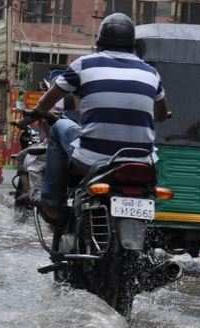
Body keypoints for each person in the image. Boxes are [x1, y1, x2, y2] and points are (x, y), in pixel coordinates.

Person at [18, 13, 170, 222]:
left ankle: (52, 202)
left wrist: (34, 114)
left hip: (93, 158)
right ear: (132, 43)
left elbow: (48, 101)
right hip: (141, 161)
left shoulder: (84, 65)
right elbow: (162, 114)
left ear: (100, 41)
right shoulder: (151, 73)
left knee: (59, 128)